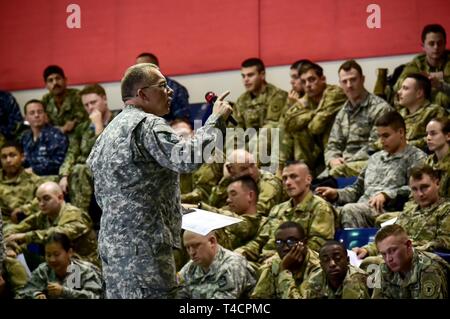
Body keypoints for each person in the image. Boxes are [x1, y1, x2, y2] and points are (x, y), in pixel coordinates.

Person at [86, 63, 232, 299]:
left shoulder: (108, 132)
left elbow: (121, 189)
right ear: (142, 94)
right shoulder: (147, 124)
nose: (170, 91)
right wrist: (216, 119)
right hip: (144, 250)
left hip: (113, 249)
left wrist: (175, 209)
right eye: (163, 86)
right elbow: (187, 159)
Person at [316, 111, 427, 228]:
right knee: (322, 210)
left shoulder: (416, 157)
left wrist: (386, 195)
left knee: (349, 210)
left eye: (386, 136)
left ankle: (355, 246)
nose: (382, 141)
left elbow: (418, 188)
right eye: (380, 136)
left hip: (388, 211)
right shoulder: (375, 158)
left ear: (400, 132)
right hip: (362, 208)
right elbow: (356, 190)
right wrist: (336, 194)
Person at [235, 161, 335, 265]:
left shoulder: (320, 208)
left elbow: (316, 246)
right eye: (285, 178)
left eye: (293, 177)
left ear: (308, 179)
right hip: (265, 263)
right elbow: (260, 240)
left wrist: (278, 260)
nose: (288, 182)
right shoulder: (277, 209)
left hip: (296, 266)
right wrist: (241, 252)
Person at [322, 60, 392, 178]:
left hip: (371, 163)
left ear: (362, 79)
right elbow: (332, 145)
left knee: (332, 177)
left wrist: (349, 160)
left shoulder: (380, 108)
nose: (349, 85)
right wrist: (332, 160)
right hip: (343, 165)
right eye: (345, 81)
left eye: (353, 79)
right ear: (340, 84)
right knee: (312, 183)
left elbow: (377, 144)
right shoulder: (342, 113)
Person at [4, 182, 99, 267]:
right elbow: (17, 227)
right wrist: (10, 242)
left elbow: (58, 235)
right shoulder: (43, 215)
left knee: (70, 262)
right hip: (57, 262)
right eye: (38, 200)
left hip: (84, 265)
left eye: (46, 198)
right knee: (14, 253)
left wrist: (25, 236)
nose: (41, 204)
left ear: (60, 197)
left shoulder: (75, 215)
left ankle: (72, 287)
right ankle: (27, 285)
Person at [58, 84, 119, 213]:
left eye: (93, 102)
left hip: (110, 168)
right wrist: (64, 175)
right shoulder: (82, 127)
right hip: (84, 171)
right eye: (86, 105)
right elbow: (72, 152)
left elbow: (106, 151)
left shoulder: (119, 120)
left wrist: (98, 125)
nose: (90, 107)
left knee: (79, 169)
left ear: (104, 99)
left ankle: (79, 218)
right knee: (69, 174)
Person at [279, 62, 346, 176]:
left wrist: (304, 113)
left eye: (312, 79)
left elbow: (316, 127)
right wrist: (312, 113)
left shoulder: (334, 93)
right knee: (296, 131)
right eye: (304, 82)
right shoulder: (307, 98)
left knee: (302, 127)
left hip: (336, 145)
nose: (308, 85)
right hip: (317, 147)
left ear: (323, 79)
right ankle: (298, 173)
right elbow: (288, 123)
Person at [372, 224, 449, 299]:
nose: (389, 259)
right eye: (384, 254)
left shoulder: (428, 269)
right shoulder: (383, 269)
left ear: (408, 245)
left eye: (393, 250)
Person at [18, 233, 102, 299]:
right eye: (48, 255)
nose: (52, 259)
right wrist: (36, 295)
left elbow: (95, 296)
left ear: (69, 253)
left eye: (56, 254)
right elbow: (23, 293)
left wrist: (64, 292)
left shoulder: (83, 271)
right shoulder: (44, 270)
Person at [251, 221, 321, 299]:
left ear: (304, 242)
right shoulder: (272, 263)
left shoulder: (318, 267)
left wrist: (284, 269)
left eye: (291, 241)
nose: (285, 248)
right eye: (279, 242)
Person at [178, 230, 255, 299]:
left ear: (212, 242)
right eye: (188, 247)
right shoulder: (191, 267)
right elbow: (177, 292)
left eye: (196, 245)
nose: (192, 252)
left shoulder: (233, 264)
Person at [207, 149, 283, 216]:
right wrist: (226, 179)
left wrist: (221, 211)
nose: (251, 171)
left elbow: (257, 212)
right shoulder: (235, 179)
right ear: (231, 170)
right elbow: (213, 203)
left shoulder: (269, 183)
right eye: (244, 169)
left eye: (252, 165)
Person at [394, 24, 450, 109]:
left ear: (445, 44)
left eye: (440, 43)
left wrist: (440, 85)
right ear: (423, 46)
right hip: (423, 111)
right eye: (431, 44)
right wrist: (420, 81)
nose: (436, 47)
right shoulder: (417, 63)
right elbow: (400, 85)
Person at [300, 240, 369, 299]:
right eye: (326, 260)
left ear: (347, 260)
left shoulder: (357, 279)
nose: (332, 264)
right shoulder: (314, 279)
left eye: (337, 258)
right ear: (321, 265)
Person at [234, 58, 288, 130]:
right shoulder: (241, 100)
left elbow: (271, 130)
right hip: (248, 140)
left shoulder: (278, 96)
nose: (246, 80)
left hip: (271, 140)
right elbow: (236, 129)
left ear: (262, 75)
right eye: (243, 76)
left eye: (250, 75)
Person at [397, 73, 447, 150]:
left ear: (419, 93)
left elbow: (438, 137)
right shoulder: (398, 114)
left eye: (405, 88)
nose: (399, 92)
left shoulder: (435, 112)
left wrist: (403, 144)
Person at [136, 52, 190, 122]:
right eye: (137, 68)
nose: (139, 71)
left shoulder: (175, 89)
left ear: (156, 68)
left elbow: (182, 121)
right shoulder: (134, 90)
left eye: (144, 67)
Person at [21, 99, 68, 176]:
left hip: (50, 177)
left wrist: (34, 170)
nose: (36, 115)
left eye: (40, 112)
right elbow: (23, 160)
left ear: (45, 115)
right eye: (32, 113)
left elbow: (58, 162)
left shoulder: (56, 135)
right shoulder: (25, 137)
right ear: (26, 118)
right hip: (28, 177)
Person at [0, 141, 43, 225]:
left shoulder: (34, 180)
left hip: (24, 224)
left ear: (22, 157)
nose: (8, 160)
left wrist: (23, 210)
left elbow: (44, 200)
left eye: (12, 155)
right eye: (4, 157)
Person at [41, 65, 88, 134]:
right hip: (54, 136)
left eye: (58, 78)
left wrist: (74, 123)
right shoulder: (45, 100)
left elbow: (85, 117)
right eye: (50, 80)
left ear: (65, 80)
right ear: (46, 85)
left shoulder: (77, 95)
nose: (55, 83)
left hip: (76, 135)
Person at [425, 117, 450, 197]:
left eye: (433, 133)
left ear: (448, 136)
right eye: (427, 134)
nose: (428, 138)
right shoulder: (428, 161)